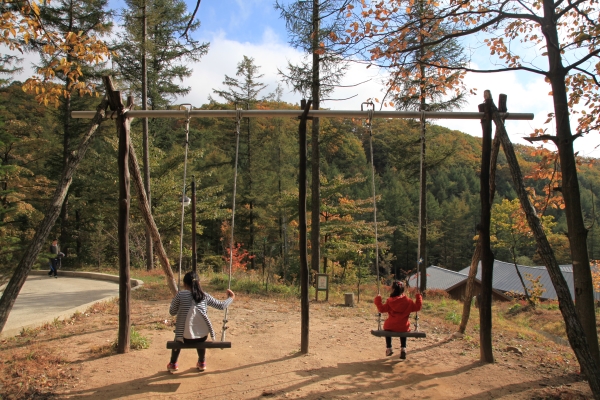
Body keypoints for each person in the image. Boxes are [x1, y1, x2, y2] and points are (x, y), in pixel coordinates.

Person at [167, 271, 235, 373]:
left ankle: (173, 364)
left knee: (179, 335)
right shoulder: (204, 295)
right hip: (201, 337)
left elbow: (172, 312)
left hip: (183, 338)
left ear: (185, 284)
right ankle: (202, 362)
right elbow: (221, 306)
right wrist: (231, 298)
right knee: (199, 333)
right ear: (199, 283)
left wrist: (177, 304)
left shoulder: (180, 295)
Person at [374, 280, 422, 359]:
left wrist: (378, 299)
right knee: (403, 328)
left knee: (387, 328)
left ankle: (389, 348)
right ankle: (403, 348)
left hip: (391, 326)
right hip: (403, 326)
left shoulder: (390, 301)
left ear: (393, 289)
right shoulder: (408, 301)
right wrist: (418, 296)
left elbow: (381, 309)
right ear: (403, 290)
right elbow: (417, 307)